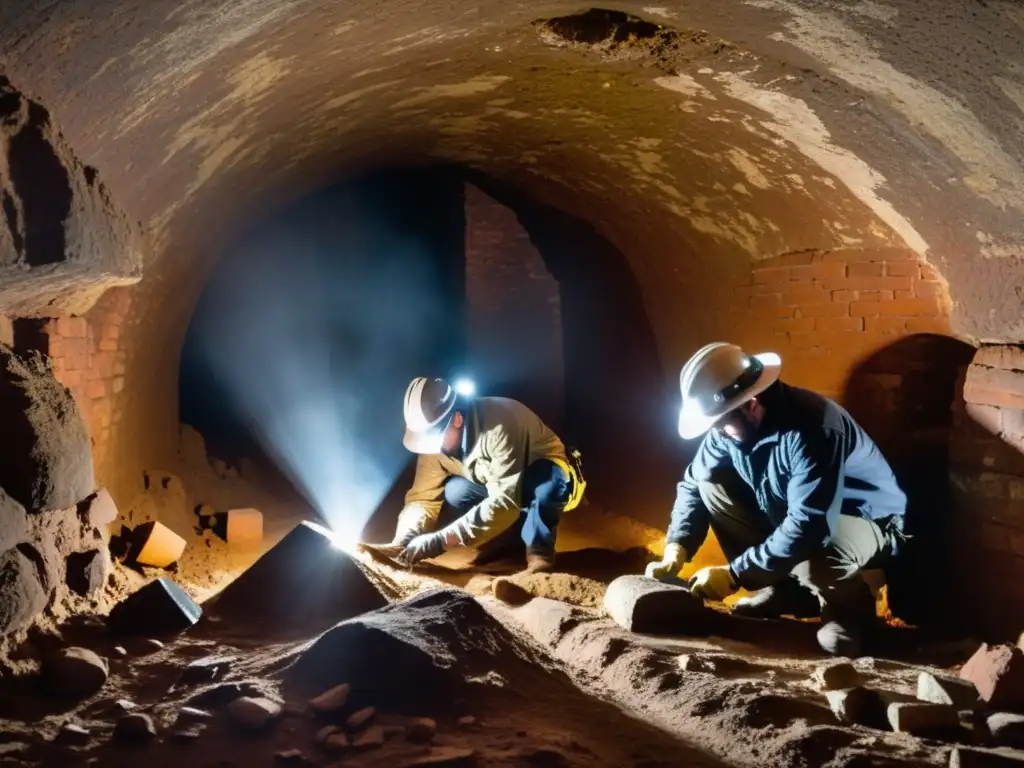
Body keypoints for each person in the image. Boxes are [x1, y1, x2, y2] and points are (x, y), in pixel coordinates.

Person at [645, 342, 908, 656]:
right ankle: (787, 591)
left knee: (820, 549)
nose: (717, 432)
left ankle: (850, 612)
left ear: (752, 404)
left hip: (870, 521)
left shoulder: (812, 428)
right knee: (710, 483)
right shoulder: (731, 427)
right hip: (801, 513)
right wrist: (678, 544)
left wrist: (735, 575)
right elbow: (693, 482)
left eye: (721, 423)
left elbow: (810, 525)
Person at [387, 377, 585, 572]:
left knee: (545, 485)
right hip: (501, 482)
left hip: (547, 476)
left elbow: (505, 502)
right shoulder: (435, 447)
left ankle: (539, 556)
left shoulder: (498, 426)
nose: (431, 447)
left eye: (433, 437)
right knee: (456, 491)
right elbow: (422, 498)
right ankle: (509, 543)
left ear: (456, 419)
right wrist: (404, 538)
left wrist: (443, 540)